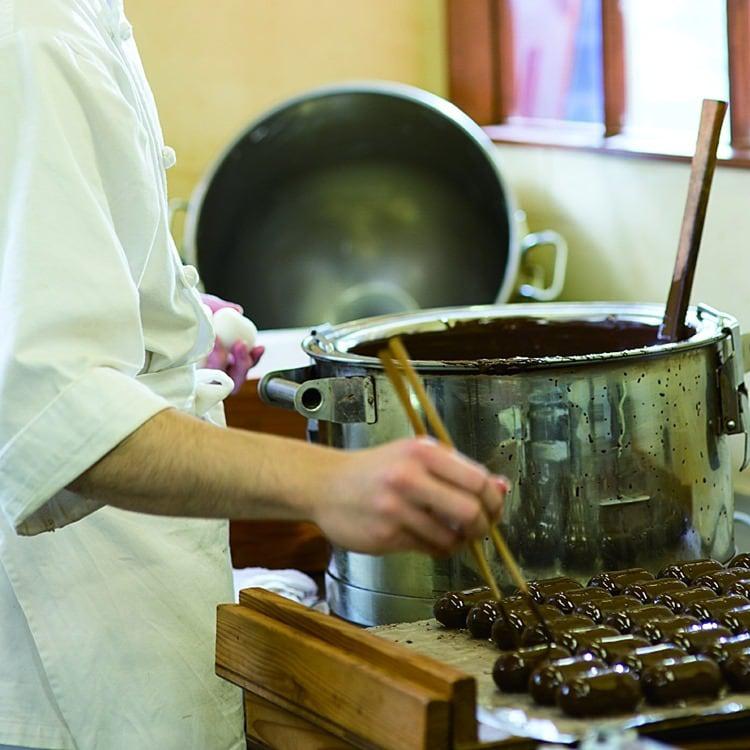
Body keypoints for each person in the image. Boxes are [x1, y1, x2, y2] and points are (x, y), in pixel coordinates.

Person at [0, 1, 509, 749]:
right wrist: (329, 482)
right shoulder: (35, 35)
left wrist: (161, 321)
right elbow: (55, 414)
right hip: (76, 644)